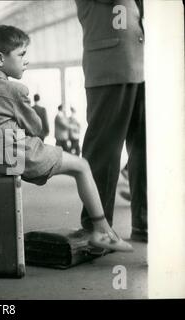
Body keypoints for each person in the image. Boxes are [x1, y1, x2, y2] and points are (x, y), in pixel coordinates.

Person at [0, 25, 133, 252]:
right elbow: (36, 128)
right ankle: (102, 230)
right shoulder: (16, 90)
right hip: (18, 158)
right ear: (0, 58)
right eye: (21, 54)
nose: (25, 61)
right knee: (82, 166)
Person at [75, 0, 147, 242]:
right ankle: (96, 227)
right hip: (111, 66)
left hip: (145, 66)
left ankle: (144, 222)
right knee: (104, 150)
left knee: (145, 151)